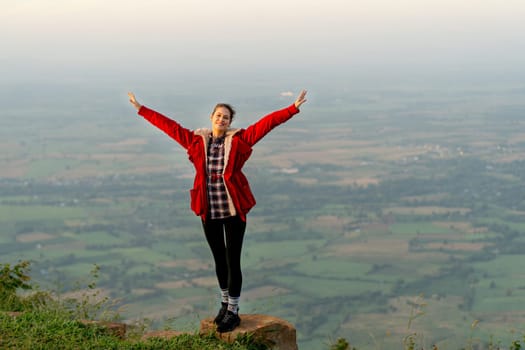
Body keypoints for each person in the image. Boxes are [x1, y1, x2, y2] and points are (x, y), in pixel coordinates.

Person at [128, 89, 307, 332]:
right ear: (211, 117)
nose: (221, 120)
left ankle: (234, 309)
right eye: (218, 116)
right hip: (209, 210)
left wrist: (292, 108)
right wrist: (141, 109)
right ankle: (224, 303)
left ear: (230, 122)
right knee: (218, 259)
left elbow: (266, 124)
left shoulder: (240, 139)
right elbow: (169, 127)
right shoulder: (195, 140)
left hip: (233, 210)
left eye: (226, 117)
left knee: (233, 260)